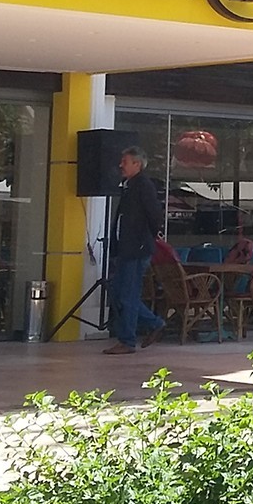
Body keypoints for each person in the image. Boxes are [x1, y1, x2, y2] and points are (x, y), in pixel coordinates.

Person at [106, 146, 166, 353]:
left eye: (125, 161)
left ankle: (127, 340)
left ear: (137, 164)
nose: (121, 165)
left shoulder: (143, 185)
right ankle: (154, 323)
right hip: (126, 248)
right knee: (118, 293)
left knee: (128, 295)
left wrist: (147, 237)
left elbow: (154, 214)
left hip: (136, 249)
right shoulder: (129, 186)